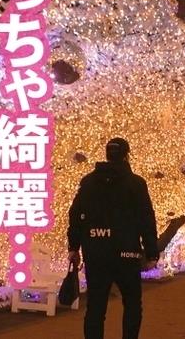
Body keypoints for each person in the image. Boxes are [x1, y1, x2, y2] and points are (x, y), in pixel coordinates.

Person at [67, 138, 159, 339]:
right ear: (127, 155)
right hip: (127, 253)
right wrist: (152, 251)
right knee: (132, 304)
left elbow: (75, 215)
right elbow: (146, 218)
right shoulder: (136, 184)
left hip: (96, 252)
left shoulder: (88, 182)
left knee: (95, 307)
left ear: (107, 155)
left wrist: (74, 246)